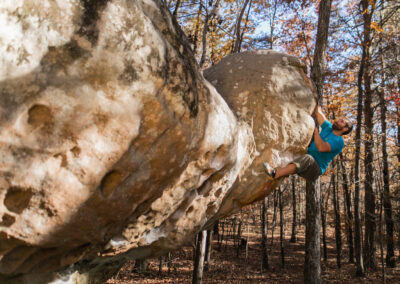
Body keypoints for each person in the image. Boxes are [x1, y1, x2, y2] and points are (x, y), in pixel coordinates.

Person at [263, 105, 353, 181]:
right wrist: (314, 100)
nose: (337, 120)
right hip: (304, 161)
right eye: (339, 119)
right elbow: (319, 114)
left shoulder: (339, 142)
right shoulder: (329, 127)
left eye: (342, 122)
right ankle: (277, 169)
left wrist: (316, 132)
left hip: (314, 170)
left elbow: (321, 147)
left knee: (308, 158)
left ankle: (276, 174)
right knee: (293, 151)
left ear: (345, 129)